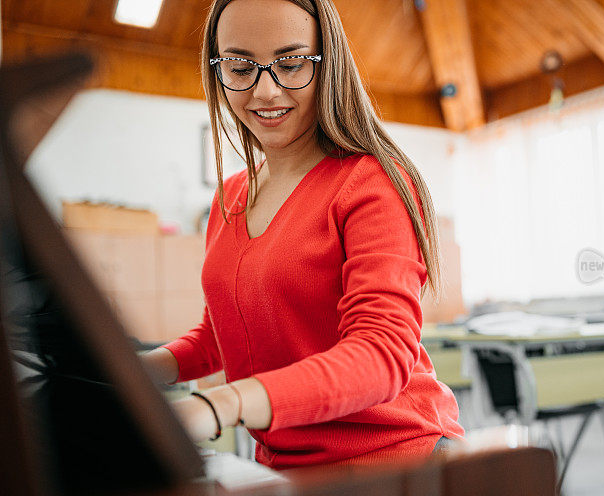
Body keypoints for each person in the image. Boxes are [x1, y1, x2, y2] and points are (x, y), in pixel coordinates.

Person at [141, 0, 464, 470]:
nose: (265, 90)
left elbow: (381, 355)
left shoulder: (372, 181)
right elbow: (224, 335)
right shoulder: (229, 197)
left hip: (397, 463)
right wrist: (133, 372)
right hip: (287, 469)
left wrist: (224, 404)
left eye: (291, 64)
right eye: (239, 67)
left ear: (326, 63)